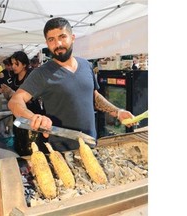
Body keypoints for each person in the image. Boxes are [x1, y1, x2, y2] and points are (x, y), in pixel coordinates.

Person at [8, 17, 136, 152]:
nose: (58, 44)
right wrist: (32, 117)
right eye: (51, 40)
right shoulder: (41, 73)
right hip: (61, 151)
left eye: (62, 37)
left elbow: (93, 96)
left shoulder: (86, 65)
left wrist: (117, 111)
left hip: (91, 143)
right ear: (47, 43)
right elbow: (15, 101)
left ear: (72, 37)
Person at [0, 51, 46, 156]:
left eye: (17, 64)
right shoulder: (14, 77)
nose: (13, 67)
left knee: (32, 144)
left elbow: (32, 98)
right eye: (12, 64)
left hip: (32, 114)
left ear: (24, 64)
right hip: (18, 116)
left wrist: (12, 93)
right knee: (20, 143)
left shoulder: (31, 76)